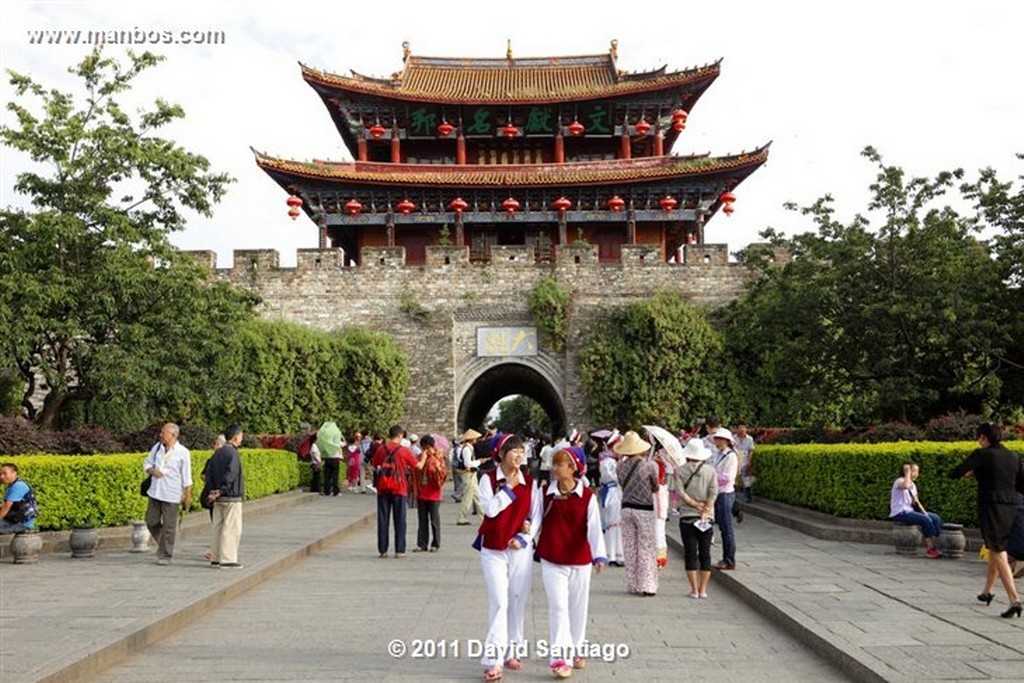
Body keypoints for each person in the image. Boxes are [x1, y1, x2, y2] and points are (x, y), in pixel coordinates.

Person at [534, 447, 607, 679]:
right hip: (552, 557)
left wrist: (599, 555)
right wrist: (524, 537)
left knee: (578, 608)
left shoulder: (586, 496)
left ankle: (577, 648)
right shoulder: (545, 492)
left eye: (560, 464)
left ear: (573, 468)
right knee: (558, 608)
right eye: (554, 464)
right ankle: (559, 658)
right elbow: (535, 519)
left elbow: (595, 528)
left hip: (579, 559)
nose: (554, 468)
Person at [473, 434, 538, 682]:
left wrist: (524, 537)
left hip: (519, 551)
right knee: (499, 602)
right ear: (500, 454)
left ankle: (514, 650)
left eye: (521, 451)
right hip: (494, 550)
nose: (519, 455)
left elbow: (536, 515)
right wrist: (508, 489)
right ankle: (493, 659)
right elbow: (489, 510)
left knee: (517, 600)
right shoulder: (488, 480)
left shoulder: (530, 483)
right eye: (513, 451)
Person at [949, 422, 1022, 618]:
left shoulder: (982, 454)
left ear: (983, 437)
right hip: (1011, 506)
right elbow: (1019, 483)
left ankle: (1014, 600)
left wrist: (971, 473)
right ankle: (987, 591)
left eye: (979, 438)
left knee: (998, 550)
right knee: (995, 545)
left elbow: (955, 473)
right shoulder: (1013, 456)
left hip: (991, 507)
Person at [671, 439, 718, 599]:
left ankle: (694, 590)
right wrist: (706, 509)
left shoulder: (680, 471)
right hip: (706, 517)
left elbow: (680, 492)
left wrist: (693, 504)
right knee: (706, 553)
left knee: (690, 553)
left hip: (687, 516)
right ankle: (703, 589)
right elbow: (714, 492)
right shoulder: (711, 471)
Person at [615, 430, 659, 596]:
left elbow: (621, 483)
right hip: (644, 509)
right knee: (645, 546)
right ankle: (647, 585)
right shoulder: (649, 466)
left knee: (630, 547)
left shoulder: (620, 467)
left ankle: (633, 584)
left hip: (626, 507)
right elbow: (655, 486)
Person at [143, 423, 192, 566]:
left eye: (163, 433)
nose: (160, 435)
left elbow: (186, 476)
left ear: (173, 435)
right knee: (151, 521)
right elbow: (146, 464)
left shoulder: (183, 452)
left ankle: (165, 554)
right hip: (155, 491)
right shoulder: (157, 448)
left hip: (172, 493)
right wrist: (153, 471)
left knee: (169, 526)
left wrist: (187, 495)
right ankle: (164, 543)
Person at [372, 425, 420, 558]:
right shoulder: (404, 450)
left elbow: (375, 464)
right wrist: (426, 456)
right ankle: (399, 550)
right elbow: (417, 466)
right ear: (399, 435)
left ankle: (383, 550)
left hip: (383, 488)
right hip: (399, 488)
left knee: (383, 519)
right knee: (400, 520)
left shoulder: (381, 449)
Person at [206, 424, 246, 569]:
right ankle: (228, 559)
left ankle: (216, 557)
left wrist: (214, 491)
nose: (242, 439)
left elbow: (208, 474)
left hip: (217, 497)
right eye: (241, 436)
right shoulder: (233, 454)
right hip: (230, 496)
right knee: (231, 528)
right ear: (236, 437)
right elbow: (231, 473)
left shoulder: (217, 453)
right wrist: (222, 489)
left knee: (218, 527)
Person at [889, 462, 943, 559]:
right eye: (912, 471)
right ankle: (930, 549)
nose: (915, 474)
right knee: (925, 520)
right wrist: (907, 473)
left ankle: (934, 539)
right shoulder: (899, 481)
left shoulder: (913, 485)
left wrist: (925, 513)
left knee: (935, 518)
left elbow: (916, 502)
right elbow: (905, 486)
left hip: (911, 511)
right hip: (900, 512)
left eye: (916, 472)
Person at [709, 427, 739, 570]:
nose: (717, 441)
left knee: (727, 528)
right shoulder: (717, 454)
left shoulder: (731, 456)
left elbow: (728, 477)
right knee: (722, 527)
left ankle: (729, 559)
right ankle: (726, 558)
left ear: (726, 441)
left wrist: (713, 475)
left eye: (719, 439)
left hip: (725, 493)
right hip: (717, 493)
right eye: (716, 438)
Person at [414, 435, 447, 552]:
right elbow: (415, 470)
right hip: (422, 492)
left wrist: (432, 460)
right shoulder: (419, 457)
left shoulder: (438, 458)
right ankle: (422, 543)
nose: (425, 450)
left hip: (434, 493)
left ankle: (435, 543)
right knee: (422, 519)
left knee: (434, 519)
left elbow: (442, 474)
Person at [598, 432, 624, 566]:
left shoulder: (610, 461)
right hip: (613, 492)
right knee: (614, 523)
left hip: (615, 492)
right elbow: (615, 478)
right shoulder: (609, 462)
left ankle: (616, 553)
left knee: (616, 523)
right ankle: (613, 554)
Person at [0, 463, 38, 534]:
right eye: (1, 474)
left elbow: (6, 507)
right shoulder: (11, 486)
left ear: (14, 473)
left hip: (22, 523)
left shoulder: (18, 486)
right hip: (13, 519)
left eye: (5, 473)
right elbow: (4, 504)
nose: (2, 477)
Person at [457, 428, 483, 525]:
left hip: (472, 474)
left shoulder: (468, 448)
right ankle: (462, 517)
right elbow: (467, 463)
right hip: (468, 474)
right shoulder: (467, 449)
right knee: (468, 497)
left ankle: (483, 517)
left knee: (477, 496)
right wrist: (479, 462)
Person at [734, 421, 756, 503]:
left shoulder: (749, 439)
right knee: (734, 480)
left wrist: (749, 461)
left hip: (745, 461)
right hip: (735, 461)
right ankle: (734, 497)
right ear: (737, 429)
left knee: (746, 480)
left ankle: (748, 497)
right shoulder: (733, 438)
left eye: (744, 428)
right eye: (740, 428)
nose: (742, 430)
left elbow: (751, 450)